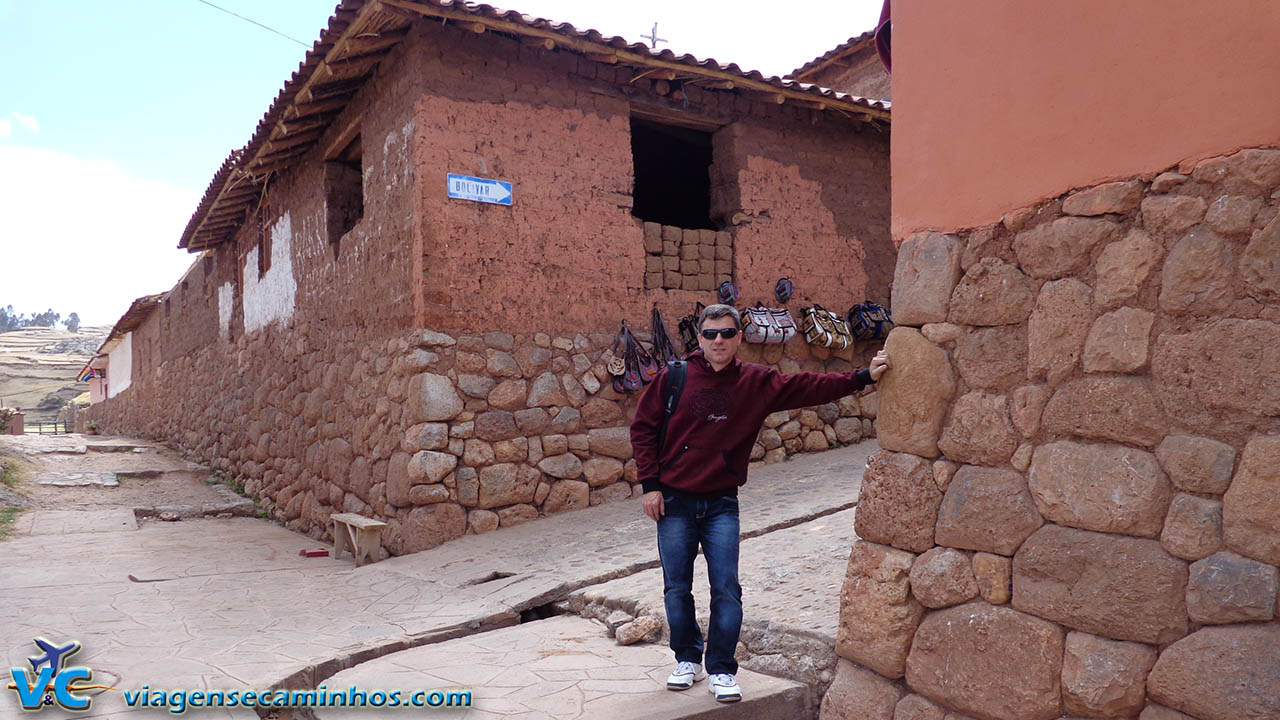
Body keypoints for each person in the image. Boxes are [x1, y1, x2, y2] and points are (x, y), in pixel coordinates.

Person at [630, 303, 890, 703]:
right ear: (699, 338)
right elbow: (643, 429)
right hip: (675, 501)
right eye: (711, 334)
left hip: (720, 503)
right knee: (676, 588)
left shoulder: (756, 381)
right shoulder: (674, 378)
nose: (719, 341)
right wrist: (650, 485)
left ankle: (720, 668)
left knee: (727, 588)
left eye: (727, 334)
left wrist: (861, 376)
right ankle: (687, 659)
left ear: (738, 338)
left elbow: (809, 386)